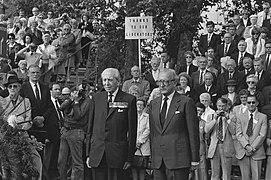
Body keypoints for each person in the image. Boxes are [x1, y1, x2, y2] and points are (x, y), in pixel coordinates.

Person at [86, 68, 137, 180]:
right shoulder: (96, 98)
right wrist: (88, 154)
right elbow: (90, 127)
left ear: (118, 81)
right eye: (104, 80)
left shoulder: (129, 100)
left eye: (110, 80)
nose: (106, 83)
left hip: (118, 156)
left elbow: (132, 132)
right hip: (97, 154)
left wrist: (129, 158)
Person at [148, 68, 199, 180]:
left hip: (178, 159)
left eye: (165, 82)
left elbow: (193, 132)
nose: (161, 85)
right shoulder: (153, 104)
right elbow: (153, 133)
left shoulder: (186, 102)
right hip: (158, 160)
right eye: (159, 82)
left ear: (174, 82)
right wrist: (152, 157)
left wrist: (194, 158)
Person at [0, 75, 42, 179]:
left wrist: (20, 127)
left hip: (22, 135)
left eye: (15, 86)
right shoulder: (2, 102)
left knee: (36, 160)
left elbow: (29, 121)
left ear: (19, 87)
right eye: (10, 87)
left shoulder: (25, 101)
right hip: (5, 137)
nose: (13, 89)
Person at [20, 64, 54, 180]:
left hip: (43, 127)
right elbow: (21, 106)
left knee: (41, 155)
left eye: (37, 72)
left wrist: (43, 118)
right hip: (29, 127)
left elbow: (50, 107)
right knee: (29, 156)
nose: (35, 75)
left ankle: (41, 176)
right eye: (33, 72)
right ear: (28, 74)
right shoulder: (23, 88)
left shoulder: (45, 87)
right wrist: (33, 119)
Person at [58, 86, 91, 180]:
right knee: (61, 161)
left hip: (77, 131)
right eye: (77, 90)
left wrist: (76, 102)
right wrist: (72, 99)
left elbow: (78, 116)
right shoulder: (71, 100)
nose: (79, 92)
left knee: (77, 162)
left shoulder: (87, 102)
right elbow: (61, 108)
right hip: (66, 130)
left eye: (81, 91)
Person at [235, 94, 267, 180]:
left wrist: (252, 148)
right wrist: (246, 146)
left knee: (256, 177)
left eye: (253, 102)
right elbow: (238, 133)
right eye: (249, 102)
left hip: (257, 152)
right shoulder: (240, 116)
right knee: (245, 178)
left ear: (257, 103)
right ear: (246, 103)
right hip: (243, 151)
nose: (251, 104)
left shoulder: (263, 117)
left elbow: (262, 135)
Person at [205, 97, 236, 180]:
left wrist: (228, 119)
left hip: (226, 146)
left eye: (223, 106)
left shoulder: (232, 116)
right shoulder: (211, 115)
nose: (221, 108)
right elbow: (206, 130)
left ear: (226, 106)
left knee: (226, 175)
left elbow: (234, 131)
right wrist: (214, 119)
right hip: (214, 146)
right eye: (219, 106)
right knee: (214, 174)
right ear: (216, 106)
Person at [132, 98, 150, 180]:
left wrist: (140, 141)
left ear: (144, 106)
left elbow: (148, 129)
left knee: (142, 167)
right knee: (134, 167)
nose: (139, 106)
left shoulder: (147, 117)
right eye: (137, 104)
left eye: (141, 105)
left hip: (143, 145)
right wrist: (134, 142)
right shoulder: (131, 115)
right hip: (133, 145)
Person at [191, 102, 207, 180]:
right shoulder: (189, 121)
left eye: (201, 111)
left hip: (201, 150)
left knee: (202, 172)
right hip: (189, 150)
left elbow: (206, 138)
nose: (199, 112)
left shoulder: (203, 123)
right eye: (198, 110)